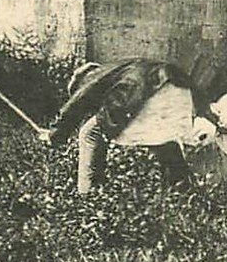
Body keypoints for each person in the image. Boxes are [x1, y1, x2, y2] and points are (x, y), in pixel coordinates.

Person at [37, 58, 209, 195]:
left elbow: (76, 104)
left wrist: (55, 136)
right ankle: (184, 191)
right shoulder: (120, 69)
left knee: (89, 134)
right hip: (180, 90)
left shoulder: (93, 76)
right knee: (165, 142)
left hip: (146, 92)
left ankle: (87, 194)